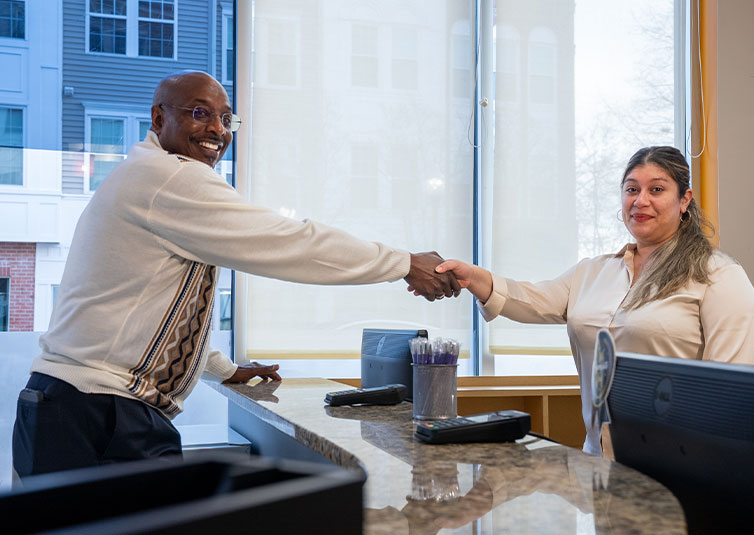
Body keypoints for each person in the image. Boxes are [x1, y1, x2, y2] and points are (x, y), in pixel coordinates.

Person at [12, 71, 460, 478]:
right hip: (99, 414)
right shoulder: (171, 178)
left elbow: (150, 302)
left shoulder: (145, 177)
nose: (217, 131)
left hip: (67, 407)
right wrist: (404, 262)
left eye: (227, 119)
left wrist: (221, 369)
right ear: (158, 116)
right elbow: (291, 243)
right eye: (199, 113)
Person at [432, 146, 754, 456]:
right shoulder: (593, 271)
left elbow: (728, 393)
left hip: (679, 465)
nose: (640, 200)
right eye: (632, 189)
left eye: (656, 190)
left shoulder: (719, 275)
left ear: (684, 199)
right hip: (599, 461)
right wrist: (473, 277)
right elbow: (532, 299)